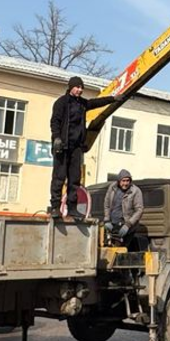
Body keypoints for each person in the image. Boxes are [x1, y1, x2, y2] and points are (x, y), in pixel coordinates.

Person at [49, 76, 116, 217]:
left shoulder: (82, 104)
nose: (79, 90)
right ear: (70, 87)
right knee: (59, 177)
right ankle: (55, 207)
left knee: (74, 179)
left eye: (81, 88)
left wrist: (112, 99)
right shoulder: (61, 103)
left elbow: (95, 102)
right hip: (62, 146)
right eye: (77, 87)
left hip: (76, 147)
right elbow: (55, 121)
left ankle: (72, 208)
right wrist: (56, 138)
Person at [105, 170, 148, 251]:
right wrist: (107, 219)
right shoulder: (112, 188)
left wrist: (128, 224)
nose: (125, 183)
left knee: (121, 249)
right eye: (123, 181)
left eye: (127, 181)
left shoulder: (135, 191)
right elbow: (107, 204)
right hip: (113, 225)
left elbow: (139, 210)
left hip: (127, 226)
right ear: (119, 181)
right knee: (110, 248)